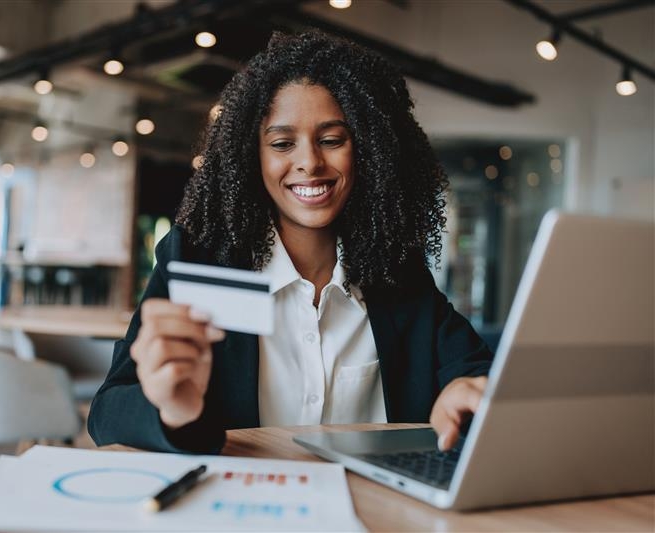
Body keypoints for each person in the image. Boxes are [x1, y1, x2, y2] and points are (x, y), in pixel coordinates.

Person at [88, 31, 492, 455]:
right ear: (252, 155)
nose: (309, 163)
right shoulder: (203, 257)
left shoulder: (395, 268)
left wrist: (462, 393)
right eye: (282, 144)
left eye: (332, 140)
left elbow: (472, 374)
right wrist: (171, 409)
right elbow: (107, 414)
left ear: (369, 150)